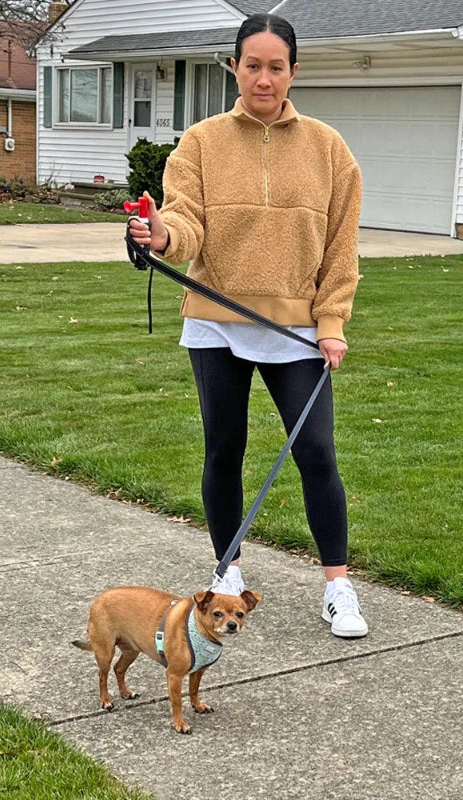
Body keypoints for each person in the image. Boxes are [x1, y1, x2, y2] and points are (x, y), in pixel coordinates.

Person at [127, 13, 367, 638]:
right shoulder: (202, 142)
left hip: (298, 333)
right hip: (216, 324)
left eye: (276, 66)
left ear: (293, 71)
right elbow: (186, 221)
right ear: (233, 66)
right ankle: (226, 569)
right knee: (223, 450)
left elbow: (341, 248)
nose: (264, 77)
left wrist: (332, 320)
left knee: (316, 454)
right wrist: (163, 235)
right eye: (252, 64)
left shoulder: (329, 149)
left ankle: (338, 585)